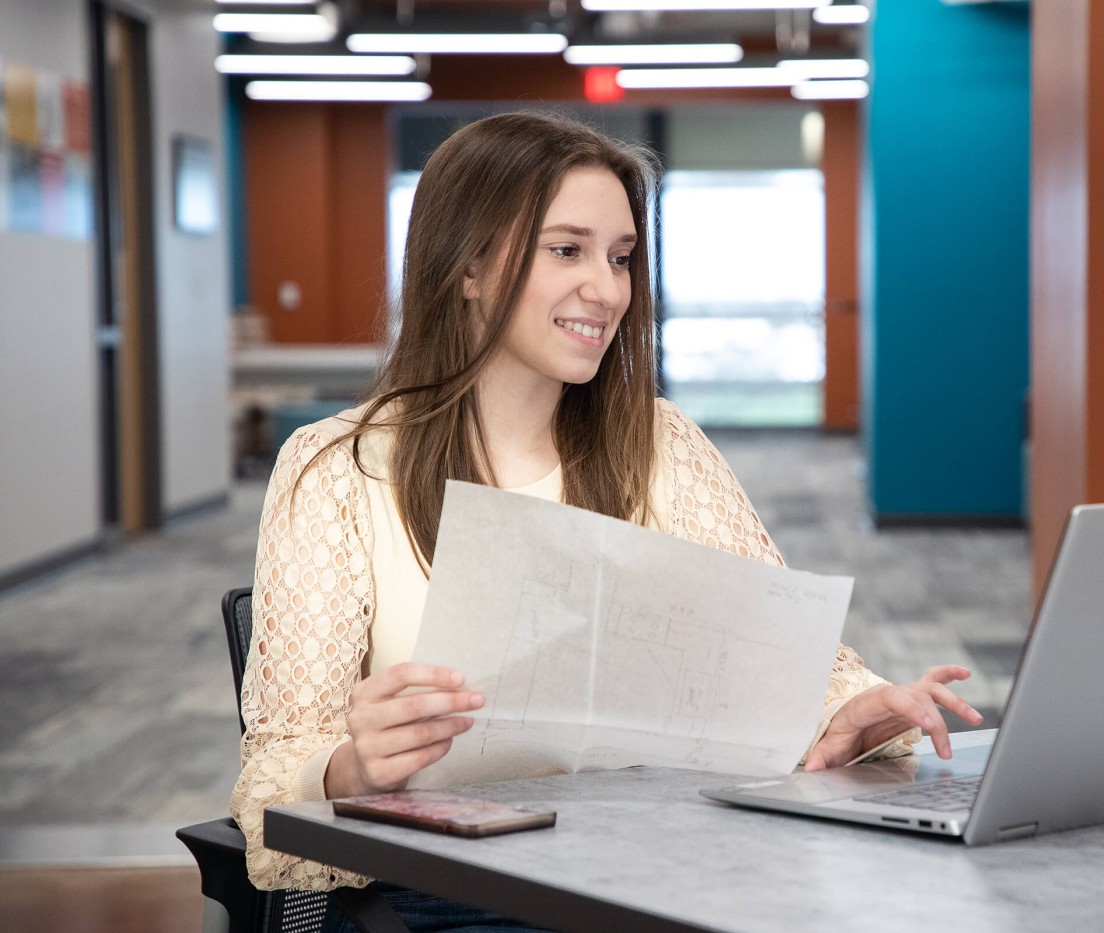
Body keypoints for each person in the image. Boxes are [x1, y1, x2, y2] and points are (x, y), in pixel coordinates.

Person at [231, 111, 982, 931]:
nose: (608, 288)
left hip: (666, 860)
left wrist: (855, 708)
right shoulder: (336, 468)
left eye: (621, 257)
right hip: (463, 885)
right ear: (467, 267)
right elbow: (270, 785)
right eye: (567, 249)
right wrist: (349, 768)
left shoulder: (661, 444)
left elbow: (801, 665)